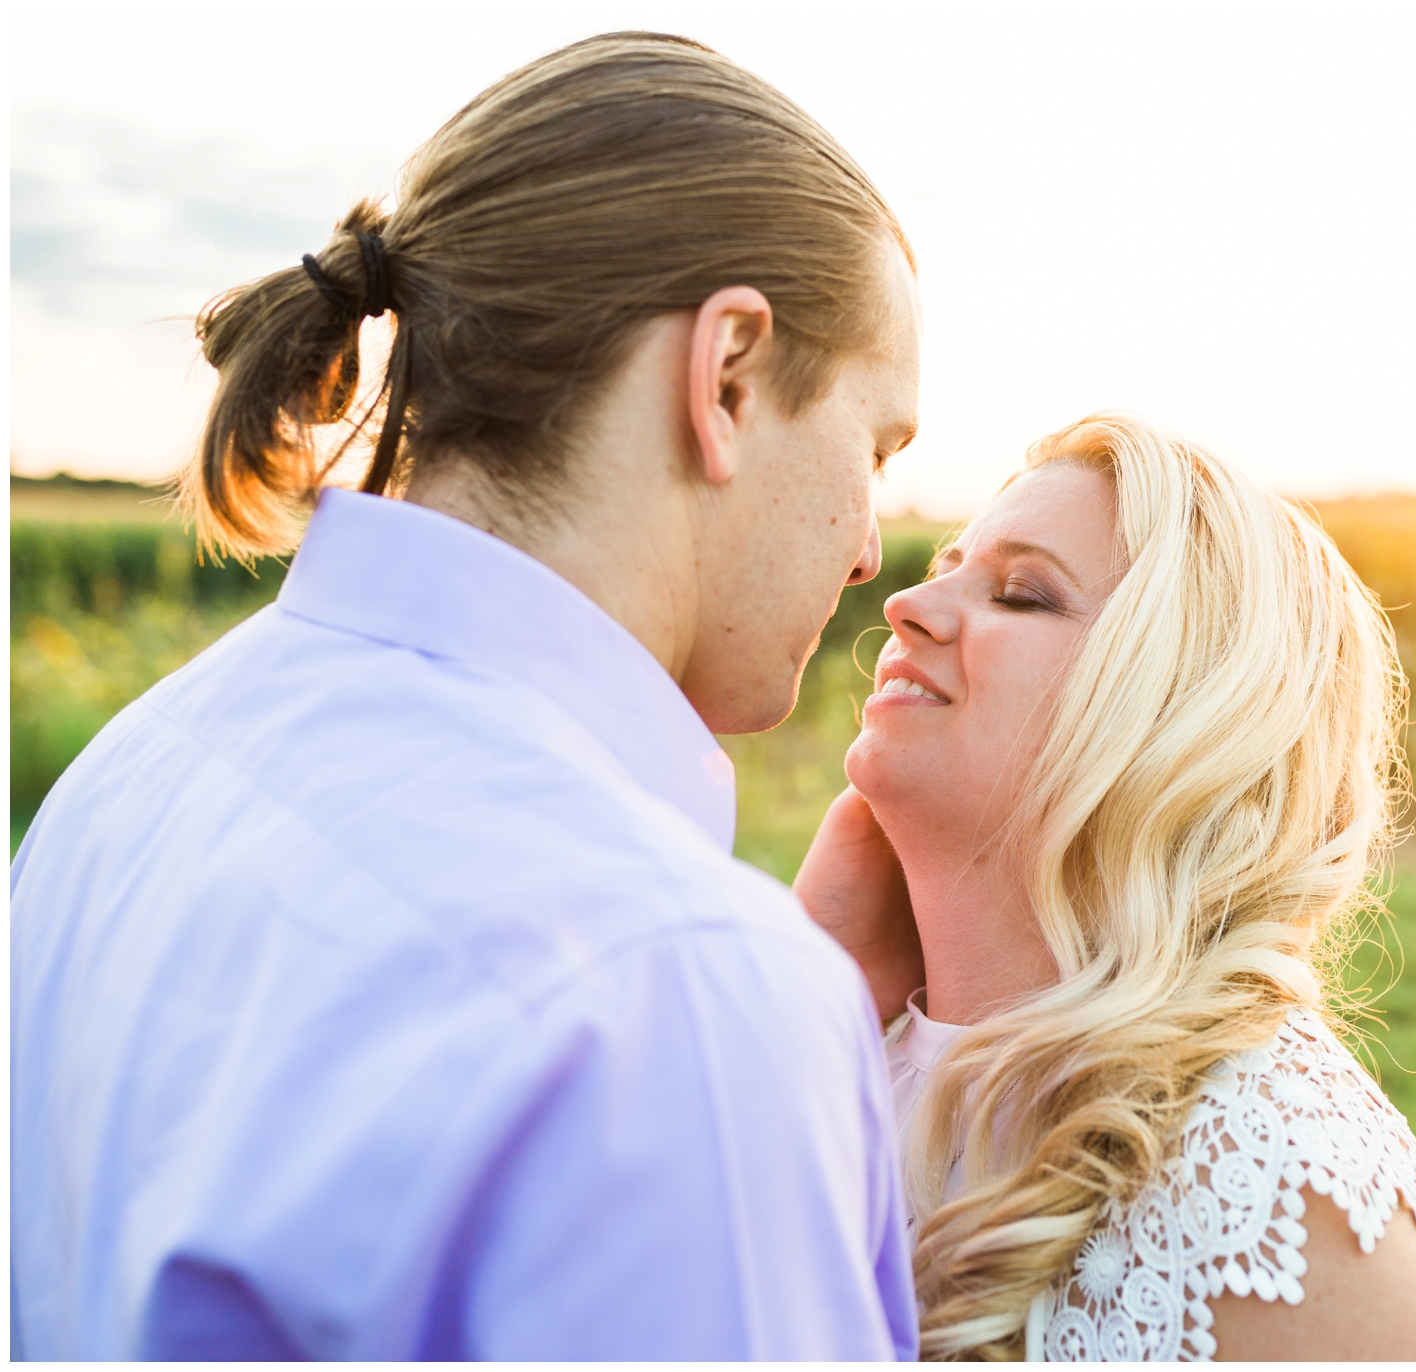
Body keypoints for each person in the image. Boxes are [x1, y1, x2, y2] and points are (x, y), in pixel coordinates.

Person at [11, 33, 922, 1360]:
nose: (867, 547)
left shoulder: (132, 773)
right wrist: (759, 1023)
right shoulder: (677, 1003)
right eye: (877, 446)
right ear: (725, 376)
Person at [793, 414, 1416, 1360]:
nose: (907, 605)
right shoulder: (834, 1044)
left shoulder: (1275, 1188)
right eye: (946, 568)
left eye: (1020, 593)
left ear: (1186, 712)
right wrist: (809, 979)